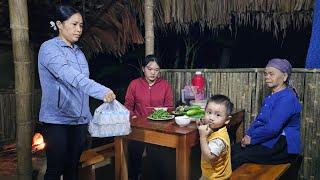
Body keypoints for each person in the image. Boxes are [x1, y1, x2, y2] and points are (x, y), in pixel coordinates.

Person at [38, 5, 116, 180]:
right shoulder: (49, 49)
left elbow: (82, 90)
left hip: (78, 122)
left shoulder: (79, 53)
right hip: (57, 121)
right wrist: (102, 91)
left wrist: (87, 118)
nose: (79, 29)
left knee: (73, 168)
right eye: (74, 24)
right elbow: (73, 78)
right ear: (59, 24)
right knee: (55, 169)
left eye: (81, 25)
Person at [231, 58, 302, 170]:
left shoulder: (287, 98)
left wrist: (253, 139)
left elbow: (273, 129)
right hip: (270, 138)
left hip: (283, 146)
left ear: (284, 77)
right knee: (232, 150)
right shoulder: (271, 96)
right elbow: (260, 120)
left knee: (238, 157)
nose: (267, 77)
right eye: (266, 74)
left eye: (271, 74)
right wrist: (249, 135)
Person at [124, 54, 174, 180]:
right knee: (134, 156)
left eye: (156, 70)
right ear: (143, 69)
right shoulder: (134, 84)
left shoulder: (165, 85)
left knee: (158, 160)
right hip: (138, 127)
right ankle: (134, 176)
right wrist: (133, 116)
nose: (153, 73)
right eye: (149, 69)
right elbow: (128, 106)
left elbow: (169, 107)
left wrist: (164, 114)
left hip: (158, 128)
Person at [197, 94, 233, 180]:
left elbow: (209, 157)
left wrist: (202, 137)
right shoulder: (216, 127)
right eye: (209, 112)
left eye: (218, 115)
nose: (211, 118)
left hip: (217, 177)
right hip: (209, 173)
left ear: (227, 120)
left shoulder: (219, 140)